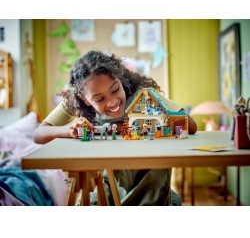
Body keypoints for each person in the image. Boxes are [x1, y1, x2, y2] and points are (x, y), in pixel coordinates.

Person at [33, 50, 197, 206]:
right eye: (99, 98)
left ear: (121, 79)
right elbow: (39, 134)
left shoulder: (142, 93)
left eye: (115, 89)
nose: (111, 101)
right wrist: (68, 130)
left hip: (150, 178)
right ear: (85, 100)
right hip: (112, 179)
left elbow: (190, 125)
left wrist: (129, 126)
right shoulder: (75, 101)